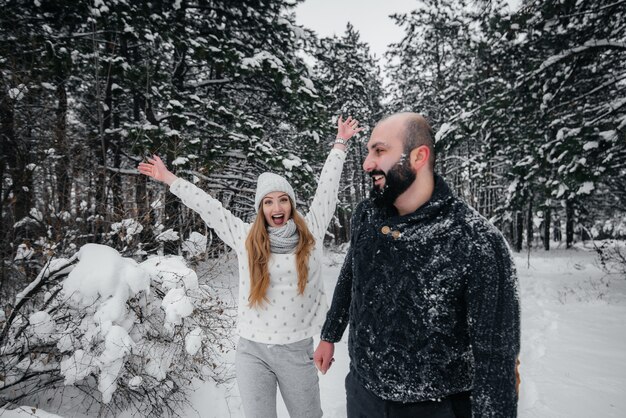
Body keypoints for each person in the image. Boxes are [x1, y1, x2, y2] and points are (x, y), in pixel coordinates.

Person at [138, 116, 363, 418]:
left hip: (296, 349)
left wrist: (339, 144)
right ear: (261, 208)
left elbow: (326, 192)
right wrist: (170, 180)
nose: (277, 208)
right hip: (251, 351)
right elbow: (209, 208)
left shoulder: (309, 233)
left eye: (283, 200)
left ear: (291, 205)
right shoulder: (246, 237)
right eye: (268, 202)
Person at [314, 113, 521, 418]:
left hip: (437, 406)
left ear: (418, 156)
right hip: (362, 394)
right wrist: (329, 335)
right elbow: (351, 277)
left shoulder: (476, 240)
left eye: (380, 151)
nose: (367, 163)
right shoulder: (367, 215)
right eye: (370, 151)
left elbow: (496, 360)